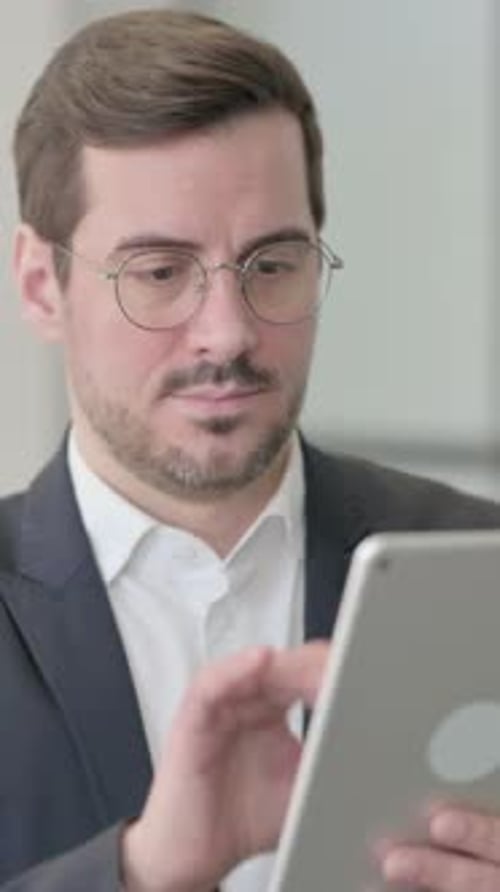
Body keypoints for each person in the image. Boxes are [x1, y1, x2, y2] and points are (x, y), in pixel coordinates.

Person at [3, 7, 500, 891]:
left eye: (273, 263)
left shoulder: (480, 573)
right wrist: (142, 873)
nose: (227, 334)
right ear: (44, 287)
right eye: (159, 273)